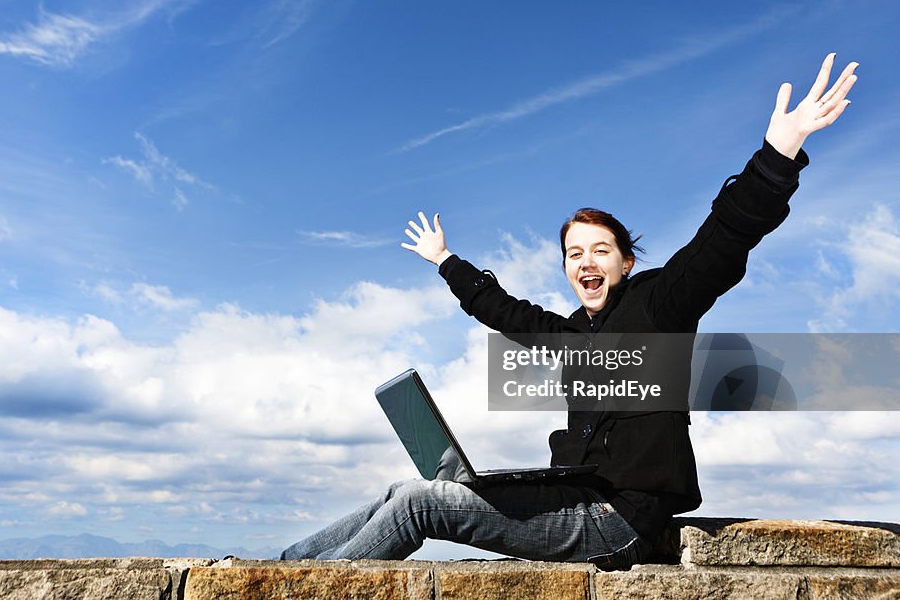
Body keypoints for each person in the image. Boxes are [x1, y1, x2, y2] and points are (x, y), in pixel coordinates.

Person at [280, 53, 858, 568]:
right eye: (573, 253)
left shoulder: (662, 303)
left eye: (600, 250)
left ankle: (290, 590)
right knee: (399, 491)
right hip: (572, 495)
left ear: (626, 262)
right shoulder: (572, 333)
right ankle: (271, 567)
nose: (586, 261)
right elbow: (504, 311)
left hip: (618, 520)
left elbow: (724, 238)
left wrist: (778, 154)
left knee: (418, 505)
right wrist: (445, 260)